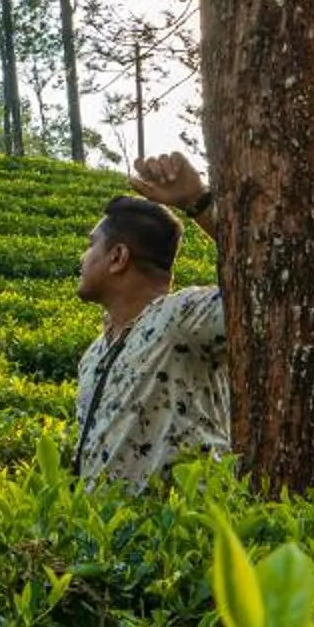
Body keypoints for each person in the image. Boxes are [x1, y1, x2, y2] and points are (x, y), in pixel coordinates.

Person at [70, 152, 232, 491]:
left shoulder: (183, 318)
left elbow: (271, 286)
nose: (82, 258)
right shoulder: (94, 354)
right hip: (104, 526)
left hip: (179, 524)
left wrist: (199, 202)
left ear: (118, 257)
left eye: (91, 245)